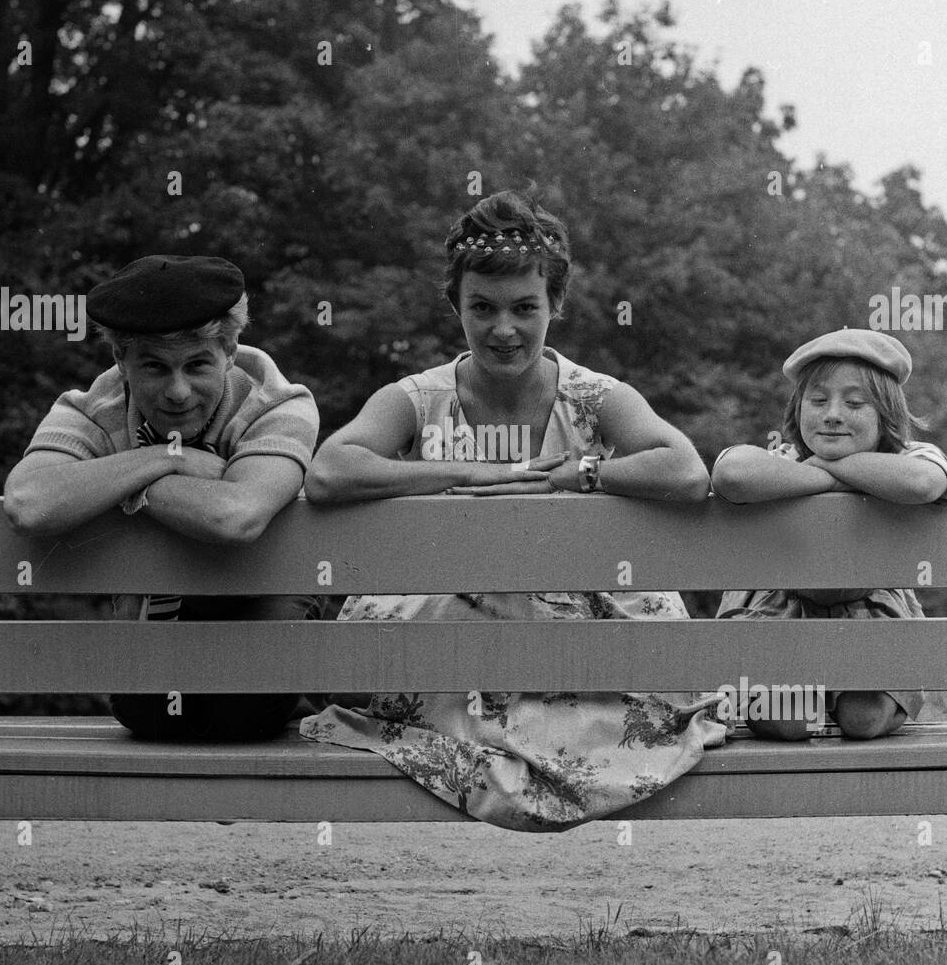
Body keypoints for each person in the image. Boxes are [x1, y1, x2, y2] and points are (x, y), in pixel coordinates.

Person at [300, 190, 726, 830]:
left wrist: (579, 474)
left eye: (525, 308)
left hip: (567, 633)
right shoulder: (420, 397)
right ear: (457, 306)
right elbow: (331, 470)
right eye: (483, 308)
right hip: (459, 628)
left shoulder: (590, 396)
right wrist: (468, 471)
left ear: (555, 304)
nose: (504, 329)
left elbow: (686, 470)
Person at [3, 254, 321, 740]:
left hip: (257, 661)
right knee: (159, 714)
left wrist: (119, 484)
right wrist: (164, 462)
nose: (177, 392)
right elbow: (30, 502)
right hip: (148, 685)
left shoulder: (277, 402)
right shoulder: (94, 408)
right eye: (154, 367)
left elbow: (236, 517)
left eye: (197, 365)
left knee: (237, 713)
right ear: (119, 360)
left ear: (232, 350)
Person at [712, 328, 947, 741]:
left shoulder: (905, 456)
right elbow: (730, 472)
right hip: (781, 614)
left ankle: (860, 698)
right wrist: (836, 474)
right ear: (798, 409)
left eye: (855, 403)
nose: (832, 413)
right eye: (819, 400)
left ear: (887, 414)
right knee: (788, 719)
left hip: (874, 617)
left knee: (863, 718)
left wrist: (825, 469)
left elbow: (922, 483)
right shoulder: (787, 457)